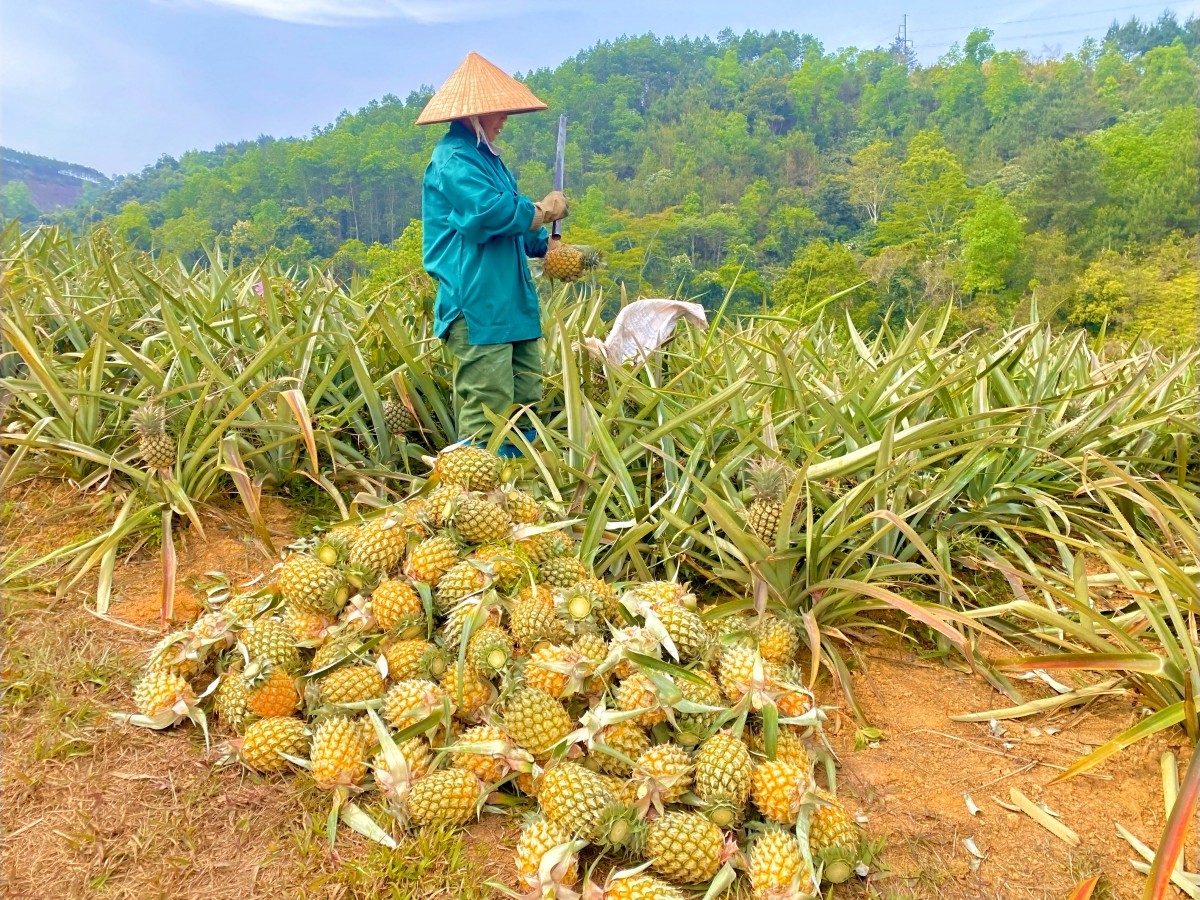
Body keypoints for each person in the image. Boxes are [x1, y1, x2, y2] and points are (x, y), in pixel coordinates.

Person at [417, 51, 568, 457]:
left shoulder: (490, 162)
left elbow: (510, 232)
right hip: (478, 303)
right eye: (500, 112)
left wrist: (546, 245)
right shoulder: (454, 159)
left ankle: (522, 497)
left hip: (513, 303)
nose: (504, 121)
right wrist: (540, 211)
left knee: (524, 406)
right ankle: (478, 504)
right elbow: (488, 214)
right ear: (475, 114)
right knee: (489, 410)